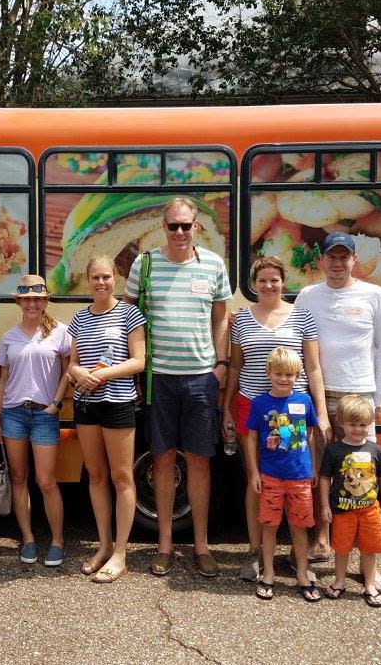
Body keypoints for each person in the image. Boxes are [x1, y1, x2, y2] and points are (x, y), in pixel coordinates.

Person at [123, 197, 231, 578]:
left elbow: (221, 319)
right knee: (163, 461)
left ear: (196, 226)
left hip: (201, 379)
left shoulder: (214, 265)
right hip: (159, 379)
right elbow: (128, 315)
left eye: (186, 226)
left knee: (199, 462)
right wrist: (134, 368)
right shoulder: (145, 264)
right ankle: (165, 545)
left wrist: (220, 365)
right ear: (163, 227)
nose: (180, 233)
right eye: (173, 226)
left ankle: (201, 546)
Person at [293, 230, 381, 594]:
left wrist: (379, 398)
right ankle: (323, 540)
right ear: (322, 261)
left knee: (362, 475)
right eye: (331, 257)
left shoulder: (373, 295)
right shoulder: (308, 296)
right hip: (321, 393)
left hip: (361, 394)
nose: (337, 264)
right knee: (323, 468)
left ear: (354, 260)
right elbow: (299, 346)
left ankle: (369, 560)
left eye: (344, 257)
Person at [222, 255, 330, 582]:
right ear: (253, 284)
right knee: (256, 482)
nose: (269, 285)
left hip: (291, 413)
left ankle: (297, 556)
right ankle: (256, 552)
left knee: (296, 482)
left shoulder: (302, 317)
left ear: (284, 282)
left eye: (275, 279)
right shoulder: (241, 320)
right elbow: (236, 367)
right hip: (251, 408)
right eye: (262, 280)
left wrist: (321, 413)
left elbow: (312, 368)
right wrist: (226, 408)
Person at [68, 255, 146, 583]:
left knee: (122, 478)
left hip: (117, 404)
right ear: (88, 280)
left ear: (116, 278)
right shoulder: (78, 319)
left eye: (107, 277)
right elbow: (71, 364)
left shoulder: (130, 314)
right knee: (96, 477)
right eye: (95, 277)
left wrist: (101, 375)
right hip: (86, 405)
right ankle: (103, 546)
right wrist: (79, 373)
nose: (101, 283)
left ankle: (120, 553)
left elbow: (139, 362)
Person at [0, 275, 71, 566]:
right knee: (18, 478)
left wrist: (55, 404)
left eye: (38, 298)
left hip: (43, 415)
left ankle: (57, 541)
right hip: (14, 412)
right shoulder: (9, 337)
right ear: (19, 301)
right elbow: (3, 381)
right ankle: (27, 538)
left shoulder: (60, 333)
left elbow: (68, 370)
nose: (32, 304)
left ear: (45, 301)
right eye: (26, 299)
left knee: (46, 480)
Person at [243, 347, 320, 601]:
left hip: (299, 477)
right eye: (278, 373)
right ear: (269, 373)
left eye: (289, 374)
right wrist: (254, 472)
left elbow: (309, 436)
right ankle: (268, 574)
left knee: (299, 526)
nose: (284, 379)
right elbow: (252, 438)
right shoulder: (260, 403)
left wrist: (313, 468)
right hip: (270, 477)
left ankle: (301, 574)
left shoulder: (305, 401)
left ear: (297, 375)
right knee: (269, 526)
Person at [319, 395, 381, 607]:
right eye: (353, 424)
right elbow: (325, 478)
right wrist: (324, 505)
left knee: (369, 548)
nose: (358, 429)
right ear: (341, 423)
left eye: (363, 425)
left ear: (370, 424)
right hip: (342, 511)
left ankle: (369, 584)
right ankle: (339, 581)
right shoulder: (334, 450)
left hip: (370, 510)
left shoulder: (375, 450)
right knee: (341, 548)